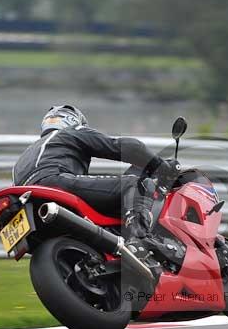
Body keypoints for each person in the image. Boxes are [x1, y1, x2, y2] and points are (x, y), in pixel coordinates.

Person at [12, 104, 179, 246]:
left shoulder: (23, 157)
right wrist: (160, 165)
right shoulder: (71, 132)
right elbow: (124, 147)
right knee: (135, 184)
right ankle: (140, 238)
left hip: (27, 201)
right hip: (54, 182)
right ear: (72, 120)